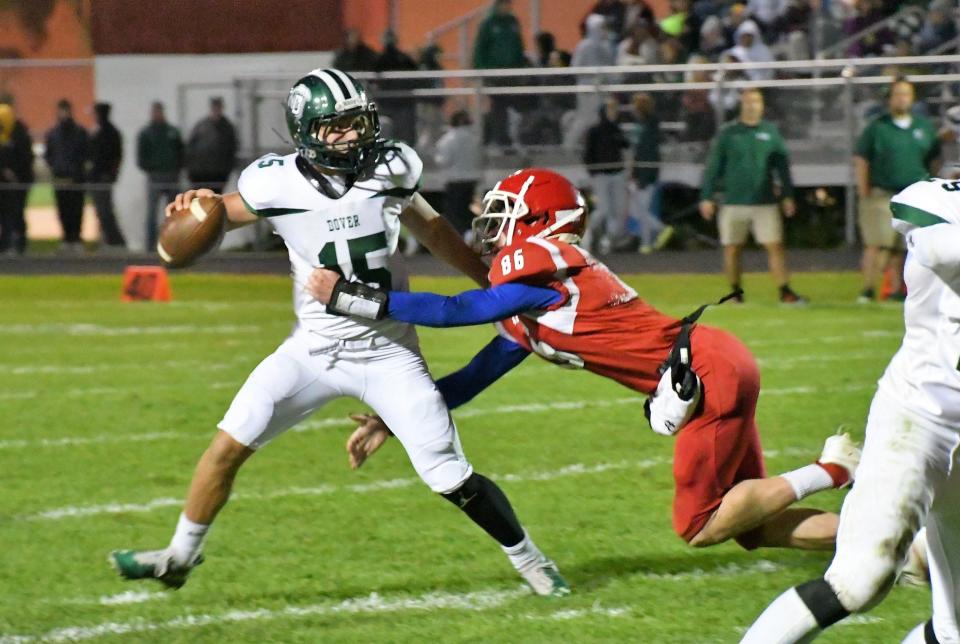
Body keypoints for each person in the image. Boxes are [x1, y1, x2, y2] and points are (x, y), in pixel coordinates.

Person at [109, 69, 568, 599]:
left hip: (388, 348)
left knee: (449, 475)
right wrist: (198, 206)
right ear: (306, 131)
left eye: (358, 122)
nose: (354, 135)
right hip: (313, 350)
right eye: (338, 126)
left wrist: (491, 287)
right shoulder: (274, 181)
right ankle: (178, 558)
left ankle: (533, 562)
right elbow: (219, 213)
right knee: (226, 447)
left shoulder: (391, 165)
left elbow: (435, 230)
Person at [306, 167, 863, 555]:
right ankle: (889, 543)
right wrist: (393, 419)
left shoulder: (543, 264)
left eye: (506, 212)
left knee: (697, 525)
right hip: (708, 364)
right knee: (751, 525)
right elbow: (474, 377)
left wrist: (353, 296)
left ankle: (835, 469)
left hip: (704, 372)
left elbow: (457, 310)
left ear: (537, 219)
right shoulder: (533, 297)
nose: (494, 226)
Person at [739, 177, 960, 643]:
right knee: (860, 580)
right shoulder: (938, 197)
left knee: (955, 629)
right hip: (917, 420)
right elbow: (919, 222)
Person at [700, 88, 805, 304]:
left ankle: (785, 290)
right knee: (732, 249)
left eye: (756, 101)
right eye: (747, 101)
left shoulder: (770, 132)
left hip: (764, 201)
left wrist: (787, 195)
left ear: (762, 105)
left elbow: (782, 168)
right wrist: (707, 196)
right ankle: (735, 292)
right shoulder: (728, 133)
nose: (752, 105)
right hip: (733, 201)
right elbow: (714, 168)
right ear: (741, 105)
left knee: (774, 245)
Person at [855, 79, 941, 303]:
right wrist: (864, 190)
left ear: (912, 98)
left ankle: (897, 290)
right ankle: (867, 290)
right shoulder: (878, 127)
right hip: (883, 192)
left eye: (906, 94)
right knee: (876, 243)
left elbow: (934, 160)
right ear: (890, 98)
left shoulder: (923, 127)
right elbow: (862, 159)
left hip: (914, 195)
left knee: (904, 248)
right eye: (898, 94)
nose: (902, 98)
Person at [473, 0, 527, 147]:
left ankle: (514, 137)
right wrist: (481, 69)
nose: (508, 7)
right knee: (498, 107)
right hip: (495, 73)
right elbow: (480, 49)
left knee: (515, 106)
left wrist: (521, 68)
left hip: (512, 73)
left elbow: (519, 45)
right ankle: (498, 138)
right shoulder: (488, 24)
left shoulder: (513, 22)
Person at [628, 93, 673, 254]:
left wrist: (642, 176)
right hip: (644, 174)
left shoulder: (647, 128)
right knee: (640, 210)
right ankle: (655, 234)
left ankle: (648, 241)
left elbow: (646, 154)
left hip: (645, 175)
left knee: (642, 211)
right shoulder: (646, 126)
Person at [583, 97, 628, 254]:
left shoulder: (616, 129)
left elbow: (625, 144)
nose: (613, 113)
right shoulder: (594, 131)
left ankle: (608, 241)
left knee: (617, 211)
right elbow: (588, 154)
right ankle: (586, 233)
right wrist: (593, 173)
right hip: (601, 175)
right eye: (610, 110)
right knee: (603, 210)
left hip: (617, 174)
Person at [137, 101, 184, 252]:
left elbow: (181, 152)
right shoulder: (146, 133)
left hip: (171, 176)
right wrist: (151, 168)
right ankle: (150, 246)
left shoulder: (172, 131)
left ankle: (173, 244)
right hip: (155, 176)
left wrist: (176, 168)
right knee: (152, 213)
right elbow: (141, 157)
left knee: (173, 213)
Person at [44, 99, 88, 254]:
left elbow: (84, 154)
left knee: (76, 210)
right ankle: (66, 238)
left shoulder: (79, 132)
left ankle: (75, 239)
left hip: (75, 179)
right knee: (63, 210)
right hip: (60, 177)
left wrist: (77, 171)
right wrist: (56, 168)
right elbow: (49, 155)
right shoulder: (53, 133)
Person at [566, 13, 616, 149]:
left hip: (602, 90)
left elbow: (609, 68)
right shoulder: (584, 46)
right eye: (602, 27)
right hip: (587, 90)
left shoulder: (606, 47)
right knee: (584, 119)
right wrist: (590, 78)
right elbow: (575, 68)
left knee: (598, 120)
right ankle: (568, 147)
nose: (605, 30)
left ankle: (595, 148)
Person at [434, 110, 481, 237]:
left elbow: (443, 160)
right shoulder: (474, 138)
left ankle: (466, 233)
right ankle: (474, 229)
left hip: (455, 179)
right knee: (466, 207)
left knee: (454, 211)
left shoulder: (448, 139)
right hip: (471, 178)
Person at [88, 102, 126, 250]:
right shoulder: (107, 132)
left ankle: (115, 241)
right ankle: (109, 239)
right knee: (102, 210)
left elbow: (113, 157)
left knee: (104, 210)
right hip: (100, 177)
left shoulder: (106, 133)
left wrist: (109, 174)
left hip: (102, 177)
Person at [373, 31, 418, 145]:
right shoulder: (403, 58)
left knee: (388, 133)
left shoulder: (381, 59)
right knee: (403, 134)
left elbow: (373, 78)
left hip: (389, 102)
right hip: (402, 101)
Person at [0, 102, 33, 256]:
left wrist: (15, 173)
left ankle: (19, 244)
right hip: (5, 183)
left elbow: (25, 158)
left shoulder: (20, 134)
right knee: (5, 214)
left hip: (19, 182)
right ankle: (6, 243)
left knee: (17, 212)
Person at [186, 97, 237, 194]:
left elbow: (232, 149)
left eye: (218, 107)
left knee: (215, 201)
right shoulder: (201, 125)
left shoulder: (227, 127)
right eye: (215, 107)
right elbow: (191, 147)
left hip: (219, 173)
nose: (216, 110)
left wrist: (227, 169)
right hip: (200, 173)